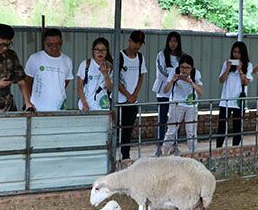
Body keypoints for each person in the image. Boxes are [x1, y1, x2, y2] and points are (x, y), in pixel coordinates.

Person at [162, 54, 204, 155]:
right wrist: (172, 81)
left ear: (192, 68)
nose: (184, 70)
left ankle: (193, 153)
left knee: (191, 131)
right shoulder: (174, 71)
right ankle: (164, 153)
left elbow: (201, 92)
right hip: (176, 104)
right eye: (182, 67)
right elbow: (165, 90)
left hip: (191, 105)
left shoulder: (195, 73)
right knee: (172, 130)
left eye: (187, 68)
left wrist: (191, 82)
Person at [25, 28, 73, 111]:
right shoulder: (35, 58)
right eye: (50, 44)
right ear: (44, 43)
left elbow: (65, 82)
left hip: (59, 106)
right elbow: (28, 81)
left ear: (61, 42)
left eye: (58, 44)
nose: (54, 47)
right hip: (37, 106)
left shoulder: (67, 60)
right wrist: (32, 98)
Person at [117, 30, 148, 161]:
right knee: (115, 129)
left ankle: (125, 155)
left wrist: (134, 95)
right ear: (129, 41)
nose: (137, 46)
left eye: (140, 43)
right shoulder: (120, 56)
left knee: (128, 130)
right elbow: (115, 79)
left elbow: (141, 77)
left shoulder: (140, 58)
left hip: (132, 100)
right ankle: (112, 154)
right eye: (135, 42)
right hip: (119, 100)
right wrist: (127, 94)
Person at [217, 41, 253, 148]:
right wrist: (228, 68)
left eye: (238, 52)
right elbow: (221, 80)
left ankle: (235, 148)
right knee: (222, 125)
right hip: (225, 99)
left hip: (238, 100)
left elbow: (246, 82)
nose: (236, 55)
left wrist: (240, 70)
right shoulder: (227, 63)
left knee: (237, 126)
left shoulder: (248, 65)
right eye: (234, 52)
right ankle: (219, 148)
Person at [152, 31, 182, 156]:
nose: (173, 43)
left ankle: (174, 146)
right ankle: (159, 147)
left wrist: (177, 76)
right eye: (171, 41)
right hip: (163, 91)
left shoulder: (182, 57)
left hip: (177, 93)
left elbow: (183, 71)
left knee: (175, 120)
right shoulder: (161, 55)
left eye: (175, 41)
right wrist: (173, 76)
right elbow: (161, 71)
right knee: (162, 120)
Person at [76, 38, 113, 111]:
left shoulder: (110, 66)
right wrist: (84, 103)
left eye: (103, 50)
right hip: (85, 106)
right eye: (97, 49)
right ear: (93, 51)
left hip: (103, 106)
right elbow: (79, 87)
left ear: (107, 51)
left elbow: (110, 88)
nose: (100, 52)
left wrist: (105, 74)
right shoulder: (86, 64)